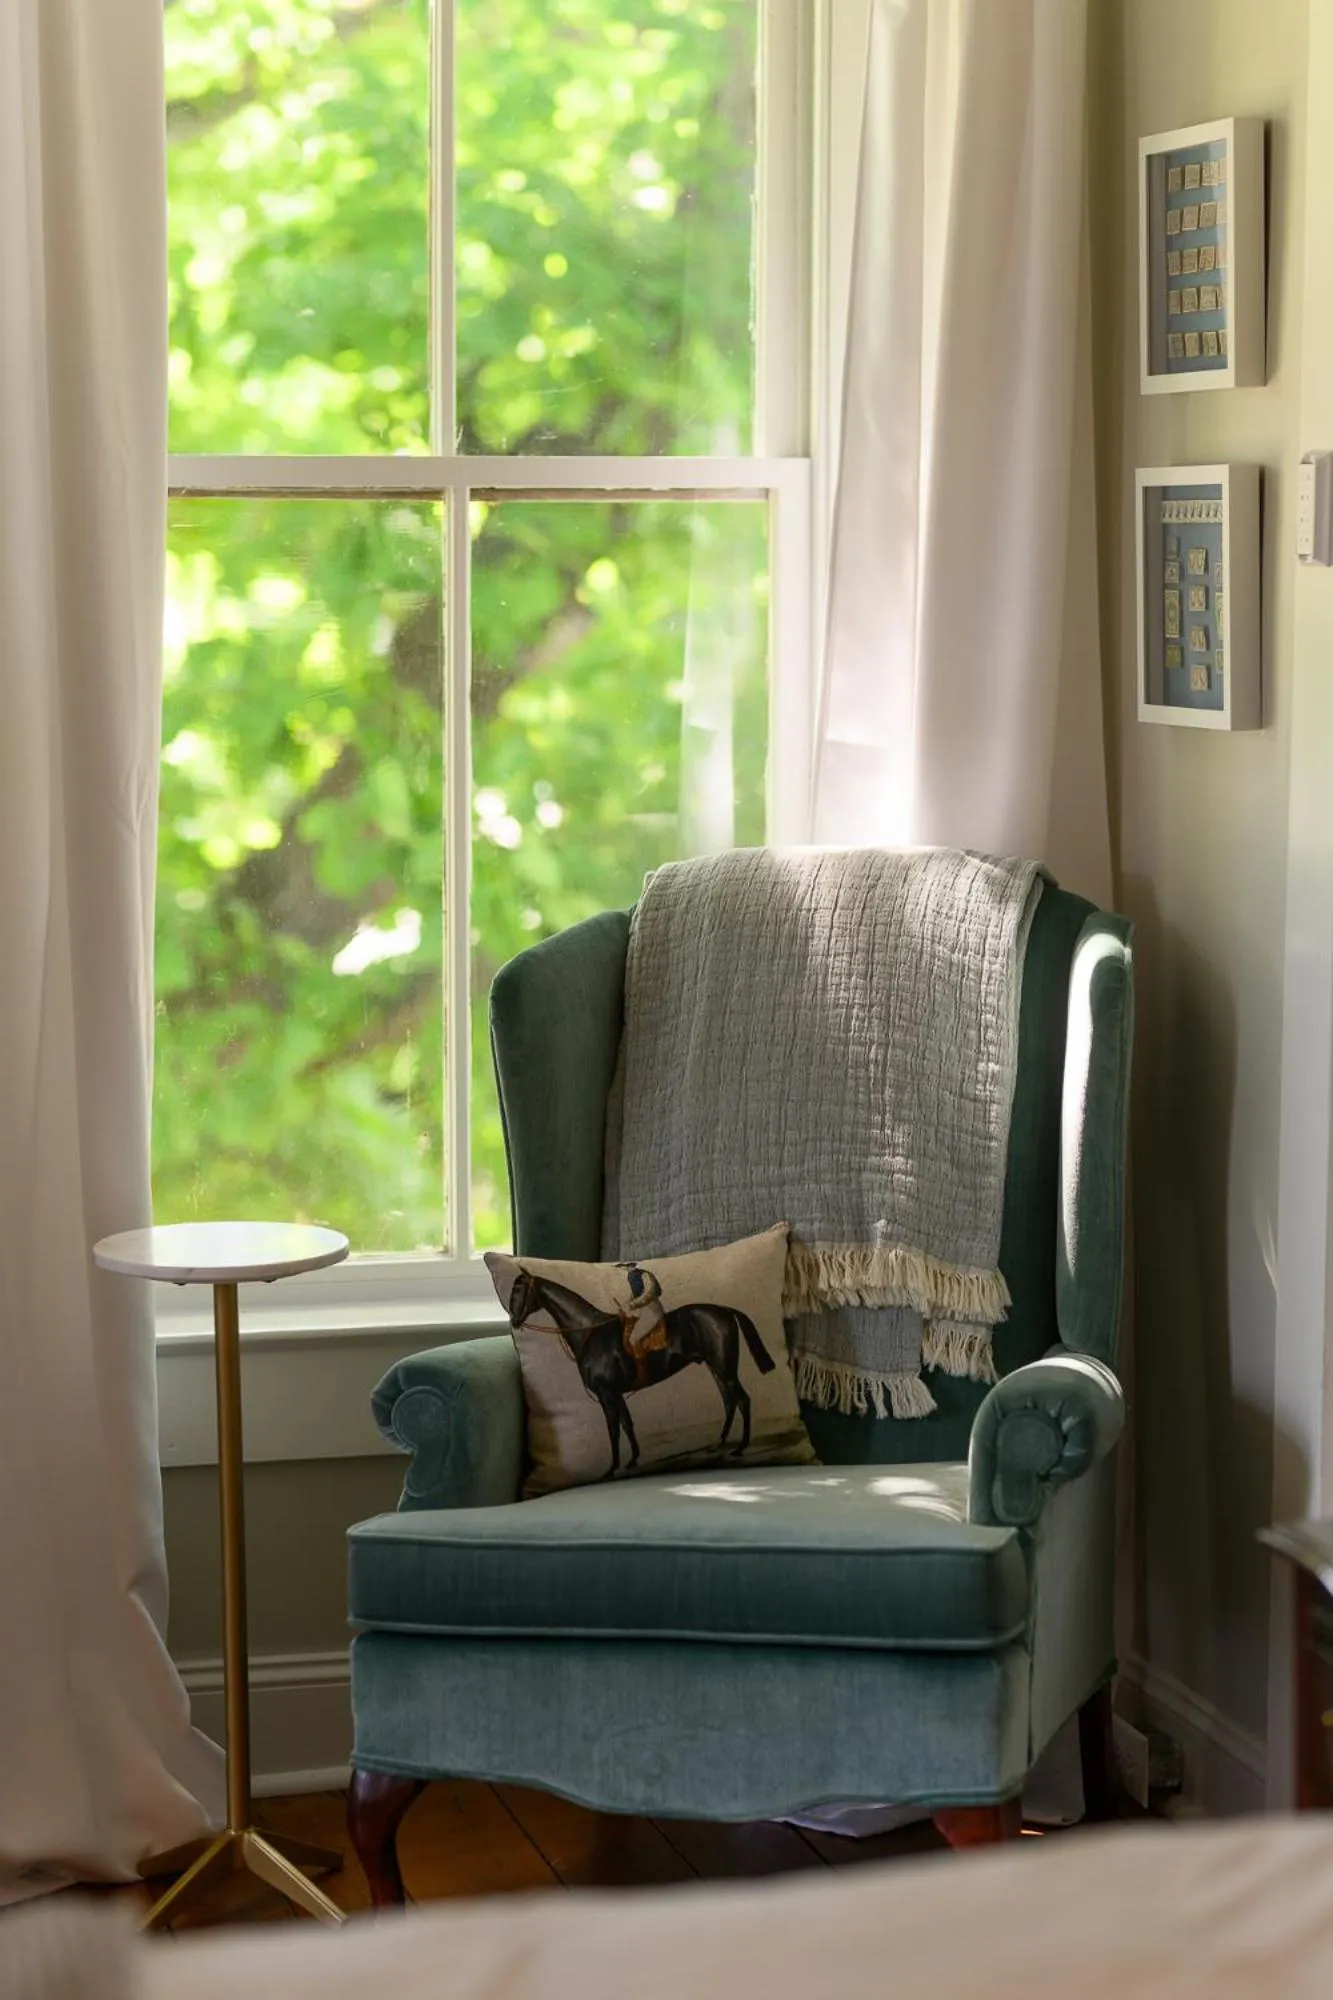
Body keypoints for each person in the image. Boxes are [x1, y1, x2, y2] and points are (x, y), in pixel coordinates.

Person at [619, 1263, 668, 1358]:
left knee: (633, 1338)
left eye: (626, 1265)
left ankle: (642, 1365)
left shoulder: (645, 1275)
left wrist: (631, 1305)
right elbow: (635, 1295)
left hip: (652, 1310)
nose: (624, 1268)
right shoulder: (632, 1276)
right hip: (641, 1310)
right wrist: (625, 1305)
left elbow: (649, 1293)